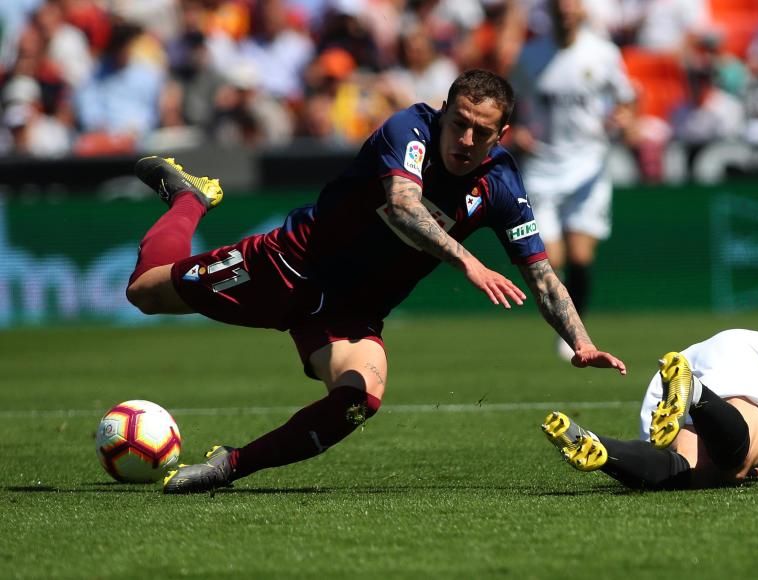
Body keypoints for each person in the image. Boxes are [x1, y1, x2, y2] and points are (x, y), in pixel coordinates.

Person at [125, 69, 627, 494]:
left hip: (352, 312)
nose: (466, 140)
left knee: (359, 399)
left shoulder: (501, 185)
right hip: (290, 265)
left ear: (503, 134)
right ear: (443, 111)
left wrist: (581, 343)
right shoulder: (408, 129)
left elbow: (541, 276)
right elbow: (405, 207)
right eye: (460, 124)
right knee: (144, 292)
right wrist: (468, 262)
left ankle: (230, 466)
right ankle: (188, 198)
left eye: (482, 132)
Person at [542, 329, 758, 489]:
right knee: (737, 463)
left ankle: (602, 450)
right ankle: (696, 392)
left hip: (720, 349)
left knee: (699, 472)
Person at [508, 0, 636, 360]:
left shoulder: (603, 54)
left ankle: (575, 335)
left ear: (581, 11)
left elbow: (626, 100)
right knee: (547, 259)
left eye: (571, 6)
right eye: (558, 7)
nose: (565, 12)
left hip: (587, 165)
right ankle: (569, 330)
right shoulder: (530, 55)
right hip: (542, 166)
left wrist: (622, 119)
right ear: (549, 12)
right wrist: (516, 131)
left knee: (580, 256)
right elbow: (510, 102)